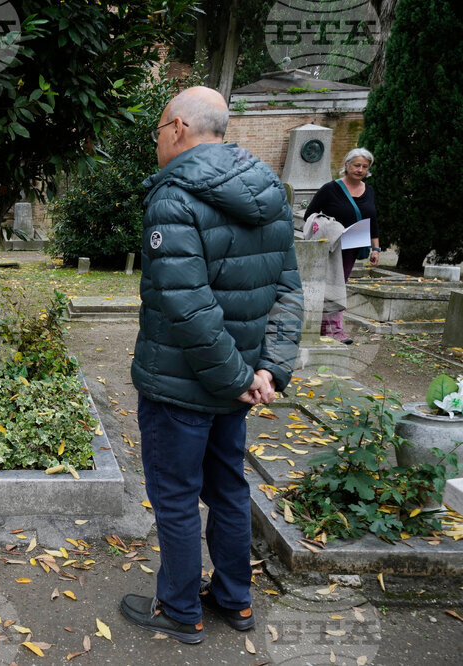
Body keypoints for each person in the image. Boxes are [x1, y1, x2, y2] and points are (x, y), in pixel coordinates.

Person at [119, 86, 303, 644]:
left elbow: (187, 306)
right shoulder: (270, 191)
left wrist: (245, 376)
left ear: (177, 127)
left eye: (157, 131)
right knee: (228, 489)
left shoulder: (173, 197)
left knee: (175, 497)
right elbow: (288, 294)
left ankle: (179, 609)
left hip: (184, 387)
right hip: (237, 387)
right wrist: (265, 371)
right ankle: (234, 601)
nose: (157, 143)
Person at [303, 148, 381, 344]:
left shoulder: (369, 190)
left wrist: (376, 248)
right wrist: (331, 228)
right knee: (328, 285)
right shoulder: (330, 189)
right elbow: (310, 216)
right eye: (357, 165)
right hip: (329, 247)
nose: (360, 170)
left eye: (365, 166)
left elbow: (373, 220)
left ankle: (329, 326)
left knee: (338, 286)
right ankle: (331, 328)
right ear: (346, 165)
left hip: (352, 248)